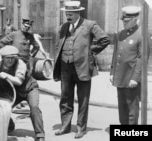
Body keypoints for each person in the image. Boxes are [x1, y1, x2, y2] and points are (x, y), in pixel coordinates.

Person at [53, 1, 110, 138]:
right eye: (66, 14)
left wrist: (91, 51)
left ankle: (81, 128)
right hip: (65, 67)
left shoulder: (90, 24)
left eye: (71, 14)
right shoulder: (64, 26)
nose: (68, 16)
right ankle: (65, 126)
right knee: (65, 98)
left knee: (83, 99)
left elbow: (104, 39)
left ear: (78, 13)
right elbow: (59, 45)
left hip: (83, 66)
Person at [110, 6, 150, 125]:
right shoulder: (120, 34)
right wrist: (112, 72)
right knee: (122, 108)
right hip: (120, 76)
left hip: (131, 78)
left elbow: (142, 58)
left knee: (132, 109)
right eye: (123, 21)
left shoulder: (142, 34)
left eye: (127, 21)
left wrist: (135, 78)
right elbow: (115, 54)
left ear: (135, 19)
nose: (124, 23)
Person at [0, 45, 45, 141]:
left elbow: (19, 81)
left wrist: (6, 75)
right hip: (16, 92)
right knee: (2, 107)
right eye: (7, 58)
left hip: (30, 89)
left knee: (34, 108)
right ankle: (10, 125)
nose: (10, 60)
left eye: (12, 58)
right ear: (3, 58)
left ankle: (40, 135)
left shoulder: (20, 63)